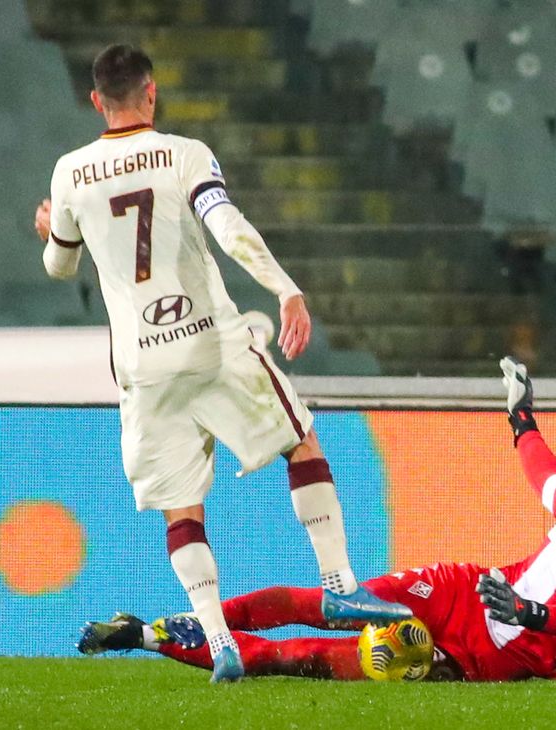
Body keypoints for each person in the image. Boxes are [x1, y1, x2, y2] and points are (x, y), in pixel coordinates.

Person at [33, 44, 410, 682]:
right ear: (150, 93)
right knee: (300, 440)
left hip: (141, 365)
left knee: (183, 506)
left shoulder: (70, 171)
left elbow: (59, 266)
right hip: (211, 340)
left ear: (96, 100)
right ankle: (340, 583)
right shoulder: (185, 154)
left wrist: (50, 230)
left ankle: (220, 643)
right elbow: (227, 224)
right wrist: (285, 286)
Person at [77, 357, 556, 681]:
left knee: (298, 660)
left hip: (498, 656)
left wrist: (526, 612)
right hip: (462, 591)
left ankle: (150, 638)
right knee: (324, 602)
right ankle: (179, 626)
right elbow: (541, 469)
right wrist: (521, 416)